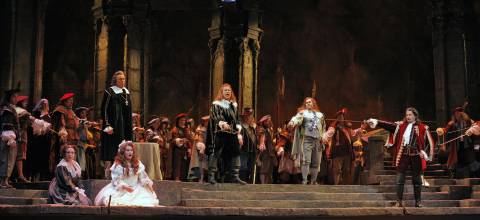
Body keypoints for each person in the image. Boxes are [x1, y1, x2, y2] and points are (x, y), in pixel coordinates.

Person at [367, 107, 434, 208]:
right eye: (407, 115)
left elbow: (430, 142)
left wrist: (425, 153)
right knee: (399, 180)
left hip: (416, 156)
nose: (408, 117)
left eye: (410, 115)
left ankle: (418, 202)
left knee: (417, 181)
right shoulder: (401, 126)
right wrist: (377, 122)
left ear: (415, 116)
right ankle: (398, 202)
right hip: (403, 155)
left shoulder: (423, 127)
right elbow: (389, 125)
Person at [94, 141, 159, 206]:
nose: (130, 152)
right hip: (123, 189)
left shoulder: (137, 163)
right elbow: (117, 180)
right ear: (123, 152)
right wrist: (124, 186)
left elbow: (143, 177)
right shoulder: (119, 165)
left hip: (135, 188)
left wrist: (149, 185)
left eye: (131, 150)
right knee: (114, 200)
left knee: (144, 200)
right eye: (127, 150)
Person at [206, 83, 246, 184]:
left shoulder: (234, 105)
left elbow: (237, 119)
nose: (227, 92)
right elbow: (216, 116)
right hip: (220, 133)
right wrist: (222, 123)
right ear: (222, 92)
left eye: (229, 90)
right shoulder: (217, 104)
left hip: (232, 133)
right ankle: (211, 176)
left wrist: (238, 129)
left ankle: (235, 176)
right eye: (225, 90)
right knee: (216, 152)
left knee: (236, 153)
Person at [101, 71, 133, 179]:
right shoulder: (110, 91)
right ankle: (108, 174)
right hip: (112, 126)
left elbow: (128, 111)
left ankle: (122, 174)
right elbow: (104, 109)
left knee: (122, 149)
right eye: (120, 79)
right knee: (110, 150)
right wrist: (107, 125)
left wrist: (129, 128)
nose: (123, 81)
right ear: (115, 80)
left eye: (124, 79)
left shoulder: (126, 92)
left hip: (123, 127)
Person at [287, 97, 326, 185]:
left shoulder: (320, 115)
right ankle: (304, 180)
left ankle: (313, 180)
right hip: (307, 139)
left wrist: (324, 137)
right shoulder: (302, 113)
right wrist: (292, 123)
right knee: (306, 160)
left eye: (310, 102)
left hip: (318, 140)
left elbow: (323, 128)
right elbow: (295, 119)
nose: (308, 103)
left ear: (313, 103)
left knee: (316, 162)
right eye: (306, 102)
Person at [323, 108, 367, 185]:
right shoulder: (333, 128)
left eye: (342, 116)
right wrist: (322, 138)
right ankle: (337, 185)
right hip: (337, 152)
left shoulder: (347, 128)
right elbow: (326, 136)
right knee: (337, 170)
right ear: (337, 118)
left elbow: (353, 134)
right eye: (339, 117)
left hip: (347, 152)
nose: (341, 118)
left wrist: (361, 128)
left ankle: (345, 186)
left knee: (346, 170)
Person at [436, 107, 476, 178]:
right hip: (457, 145)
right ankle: (455, 175)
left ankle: (472, 176)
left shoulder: (469, 122)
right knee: (456, 161)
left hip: (467, 145)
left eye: (459, 114)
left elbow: (476, 126)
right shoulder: (452, 123)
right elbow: (445, 130)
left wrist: (473, 129)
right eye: (456, 114)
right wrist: (441, 130)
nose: (457, 115)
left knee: (470, 160)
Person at [51, 93, 80, 174]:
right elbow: (61, 124)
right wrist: (63, 136)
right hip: (66, 136)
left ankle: (72, 174)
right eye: (70, 101)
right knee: (65, 155)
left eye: (72, 101)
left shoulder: (71, 111)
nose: (71, 102)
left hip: (73, 136)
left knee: (72, 156)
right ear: (64, 102)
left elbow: (76, 122)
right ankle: (63, 174)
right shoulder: (61, 109)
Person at [28, 99, 53, 181]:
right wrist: (40, 130)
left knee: (44, 158)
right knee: (36, 157)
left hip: (46, 140)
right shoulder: (37, 115)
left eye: (47, 104)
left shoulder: (49, 116)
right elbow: (33, 126)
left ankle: (42, 177)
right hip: (38, 140)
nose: (45, 105)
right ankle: (33, 176)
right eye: (44, 104)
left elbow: (50, 127)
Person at [0, 88, 20, 188]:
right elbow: (7, 125)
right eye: (14, 96)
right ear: (10, 98)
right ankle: (3, 180)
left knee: (10, 159)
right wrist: (10, 138)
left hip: (11, 137)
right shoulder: (6, 109)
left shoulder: (11, 108)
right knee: (6, 158)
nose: (16, 98)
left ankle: (6, 180)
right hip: (7, 138)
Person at [171, 113, 193, 181]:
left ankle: (184, 177)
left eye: (184, 120)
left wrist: (189, 148)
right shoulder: (175, 129)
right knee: (177, 164)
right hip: (178, 149)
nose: (182, 121)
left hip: (185, 149)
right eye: (181, 120)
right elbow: (173, 139)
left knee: (184, 164)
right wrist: (180, 140)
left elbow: (190, 139)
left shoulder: (187, 129)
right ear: (178, 121)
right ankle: (176, 177)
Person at [14, 95, 31, 183]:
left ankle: (19, 175)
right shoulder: (17, 110)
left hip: (23, 135)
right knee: (19, 155)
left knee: (20, 155)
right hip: (18, 135)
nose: (26, 103)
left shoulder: (23, 112)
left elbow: (28, 124)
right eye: (25, 102)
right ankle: (20, 175)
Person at [256, 115, 278, 184]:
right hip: (265, 152)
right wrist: (262, 143)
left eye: (270, 121)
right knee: (264, 169)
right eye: (268, 121)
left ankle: (267, 184)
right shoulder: (262, 129)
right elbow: (262, 137)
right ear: (264, 122)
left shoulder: (269, 130)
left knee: (269, 170)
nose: (269, 122)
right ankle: (263, 184)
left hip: (270, 152)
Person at [188, 116, 209, 182]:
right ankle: (200, 177)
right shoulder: (200, 129)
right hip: (200, 148)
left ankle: (204, 177)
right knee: (200, 163)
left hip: (206, 148)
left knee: (205, 164)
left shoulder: (208, 129)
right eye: (206, 121)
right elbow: (198, 139)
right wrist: (201, 148)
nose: (207, 123)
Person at [239, 107, 257, 183]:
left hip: (252, 151)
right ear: (245, 117)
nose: (250, 117)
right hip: (243, 150)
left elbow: (257, 137)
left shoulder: (253, 127)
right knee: (243, 167)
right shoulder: (240, 126)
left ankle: (249, 183)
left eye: (251, 115)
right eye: (249, 116)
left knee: (251, 168)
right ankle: (242, 182)